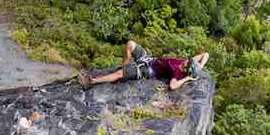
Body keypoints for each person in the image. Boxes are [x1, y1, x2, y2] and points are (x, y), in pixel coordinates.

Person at [79, 40, 209, 91]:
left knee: (119, 74)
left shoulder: (178, 73)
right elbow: (205, 54)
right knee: (130, 44)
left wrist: (188, 78)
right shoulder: (186, 63)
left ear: (187, 68)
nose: (188, 59)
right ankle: (125, 64)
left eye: (189, 62)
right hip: (149, 59)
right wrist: (200, 67)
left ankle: (92, 81)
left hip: (148, 70)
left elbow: (172, 85)